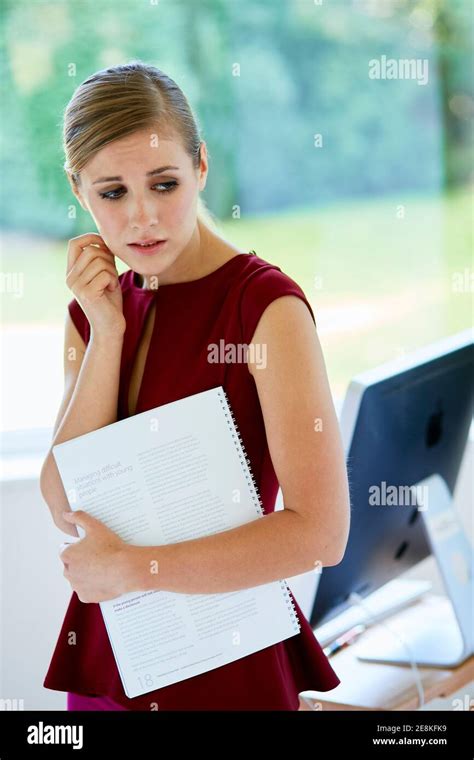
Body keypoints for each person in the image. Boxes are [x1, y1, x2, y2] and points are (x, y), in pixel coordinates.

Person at [40, 61, 350, 711]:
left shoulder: (265, 307)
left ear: (201, 166)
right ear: (79, 192)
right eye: (112, 193)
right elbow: (66, 502)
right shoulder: (92, 312)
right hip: (114, 667)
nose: (143, 217)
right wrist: (108, 333)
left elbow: (320, 534)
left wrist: (132, 568)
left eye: (164, 183)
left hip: (227, 668)